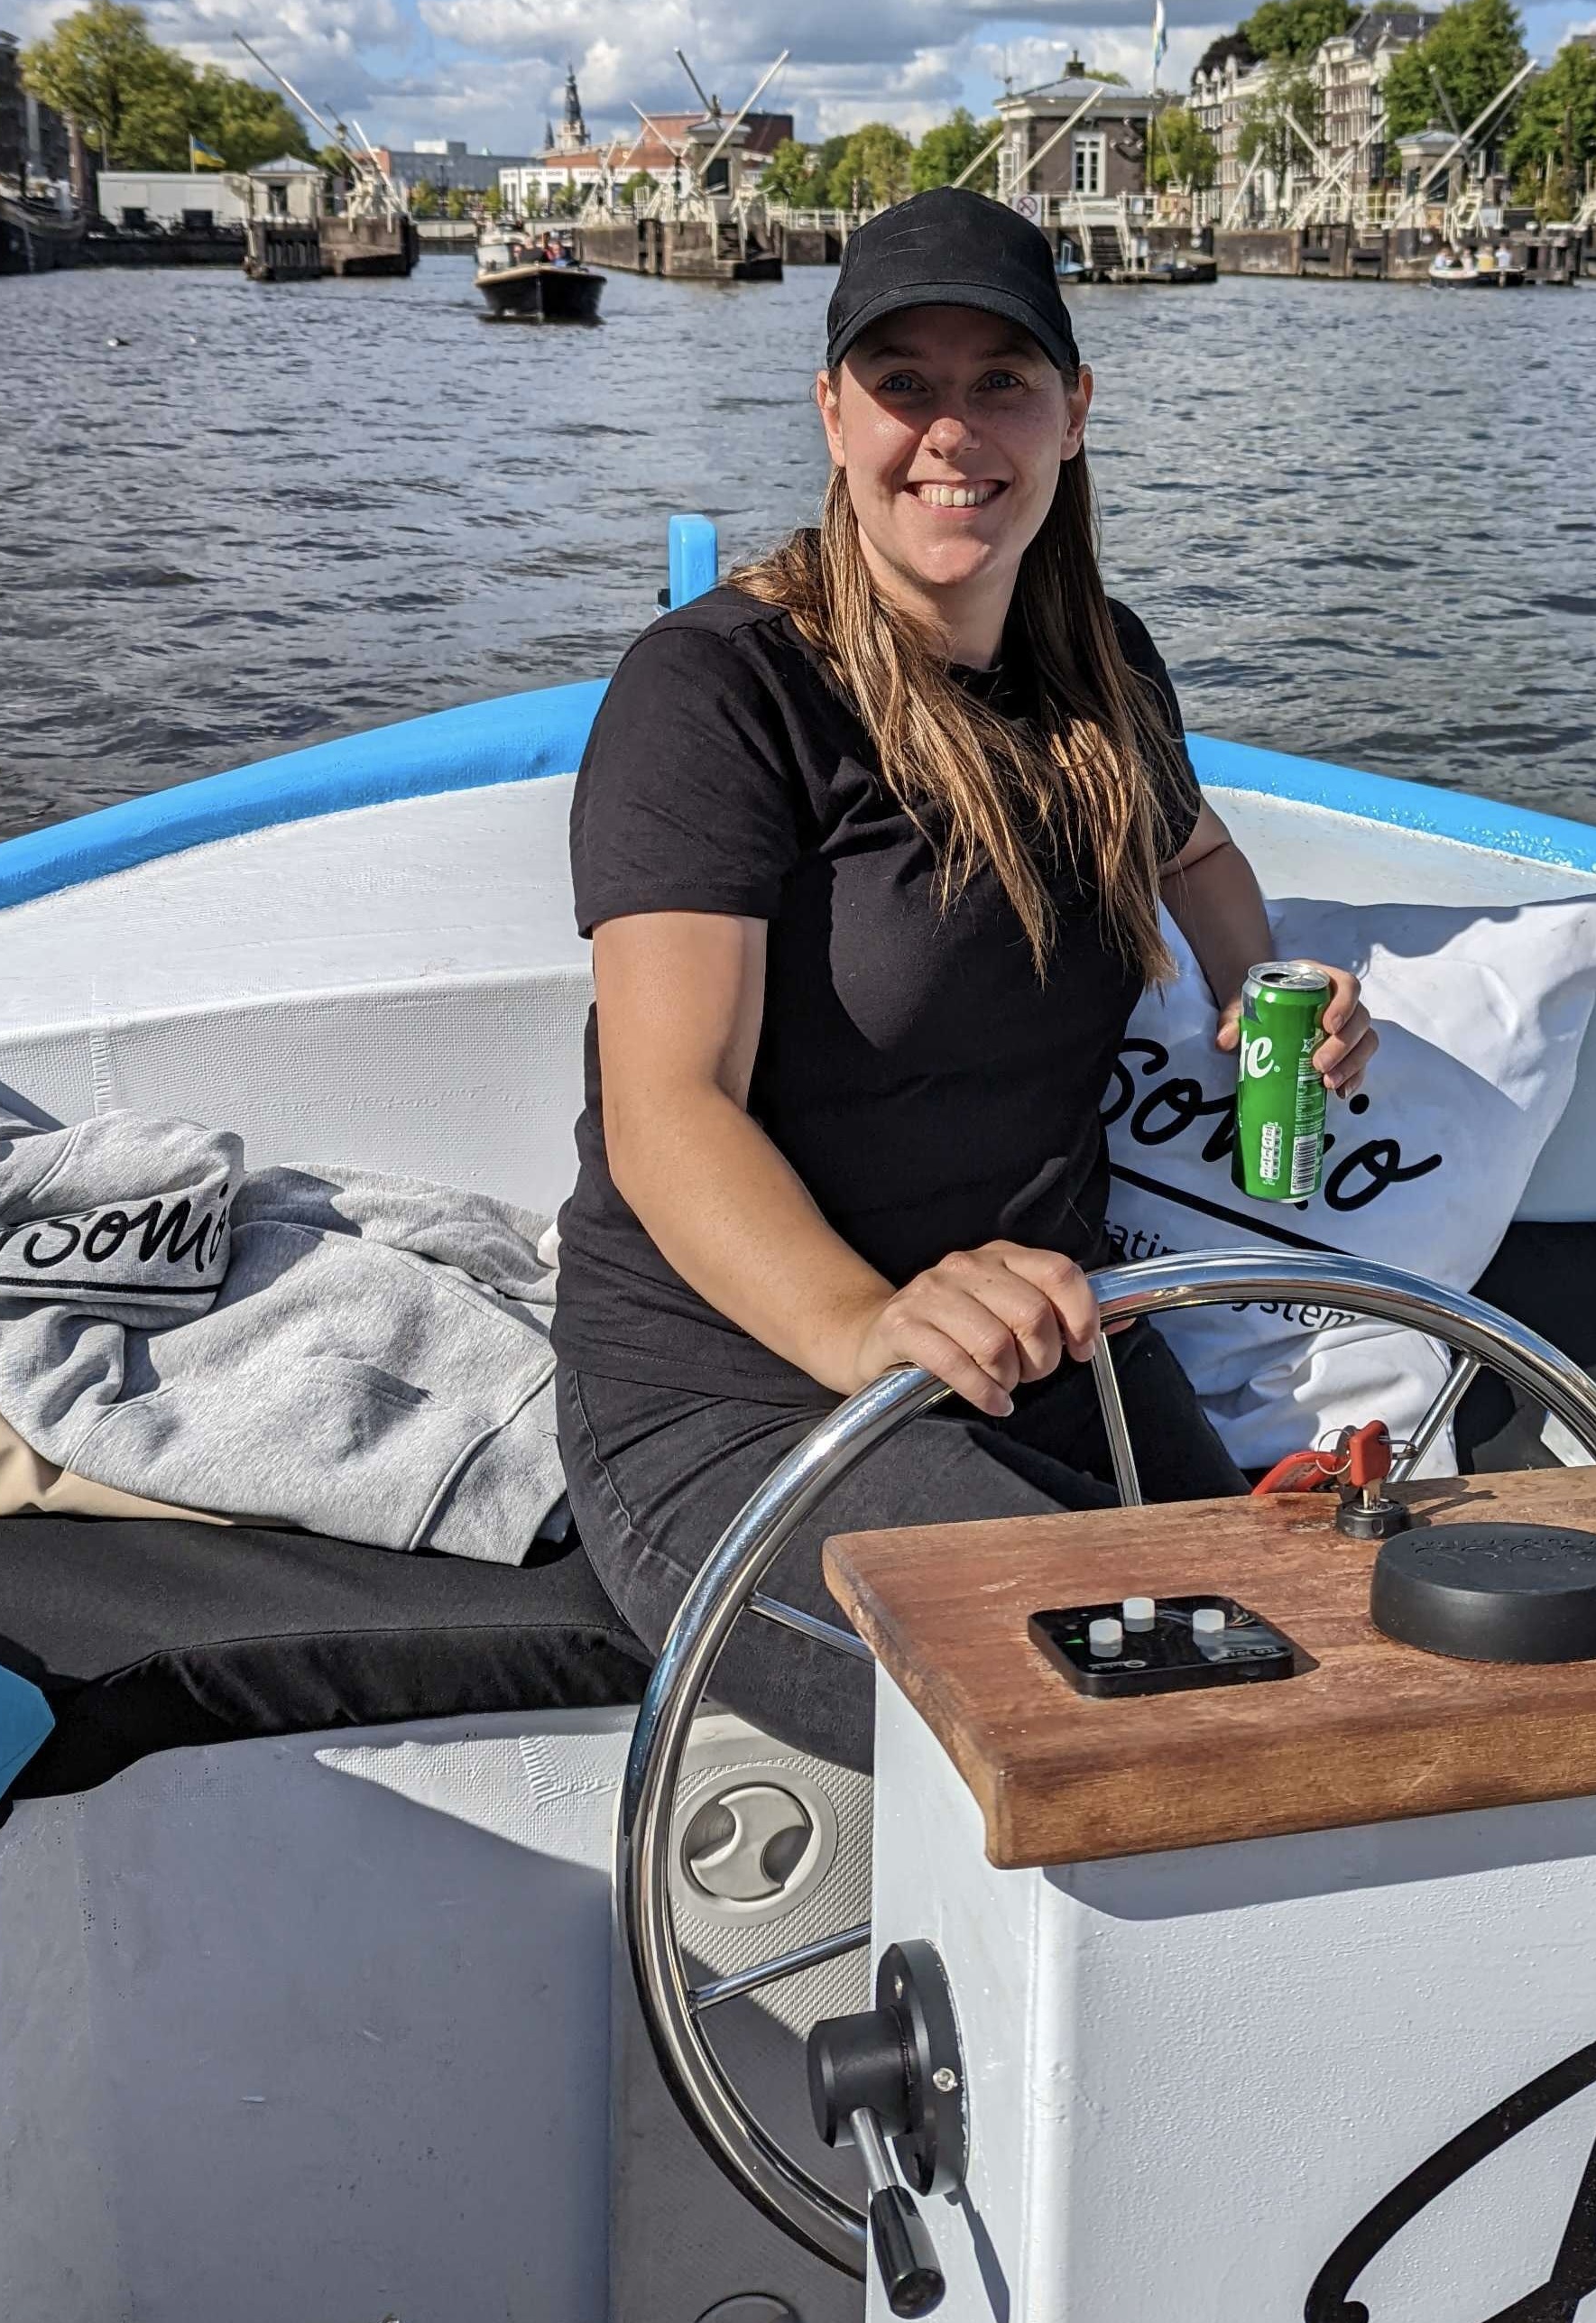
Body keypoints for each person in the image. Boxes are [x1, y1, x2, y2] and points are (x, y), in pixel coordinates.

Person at [555, 189, 1375, 1767]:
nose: (952, 430)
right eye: (902, 382)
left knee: (1335, 1650)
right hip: (744, 1394)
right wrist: (868, 1325)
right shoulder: (720, 689)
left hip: (1049, 1349)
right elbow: (667, 1107)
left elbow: (1192, 855)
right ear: (832, 413)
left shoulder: (1103, 666)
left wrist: (1269, 981)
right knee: (1161, 1729)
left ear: (1074, 412)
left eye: (1001, 379)